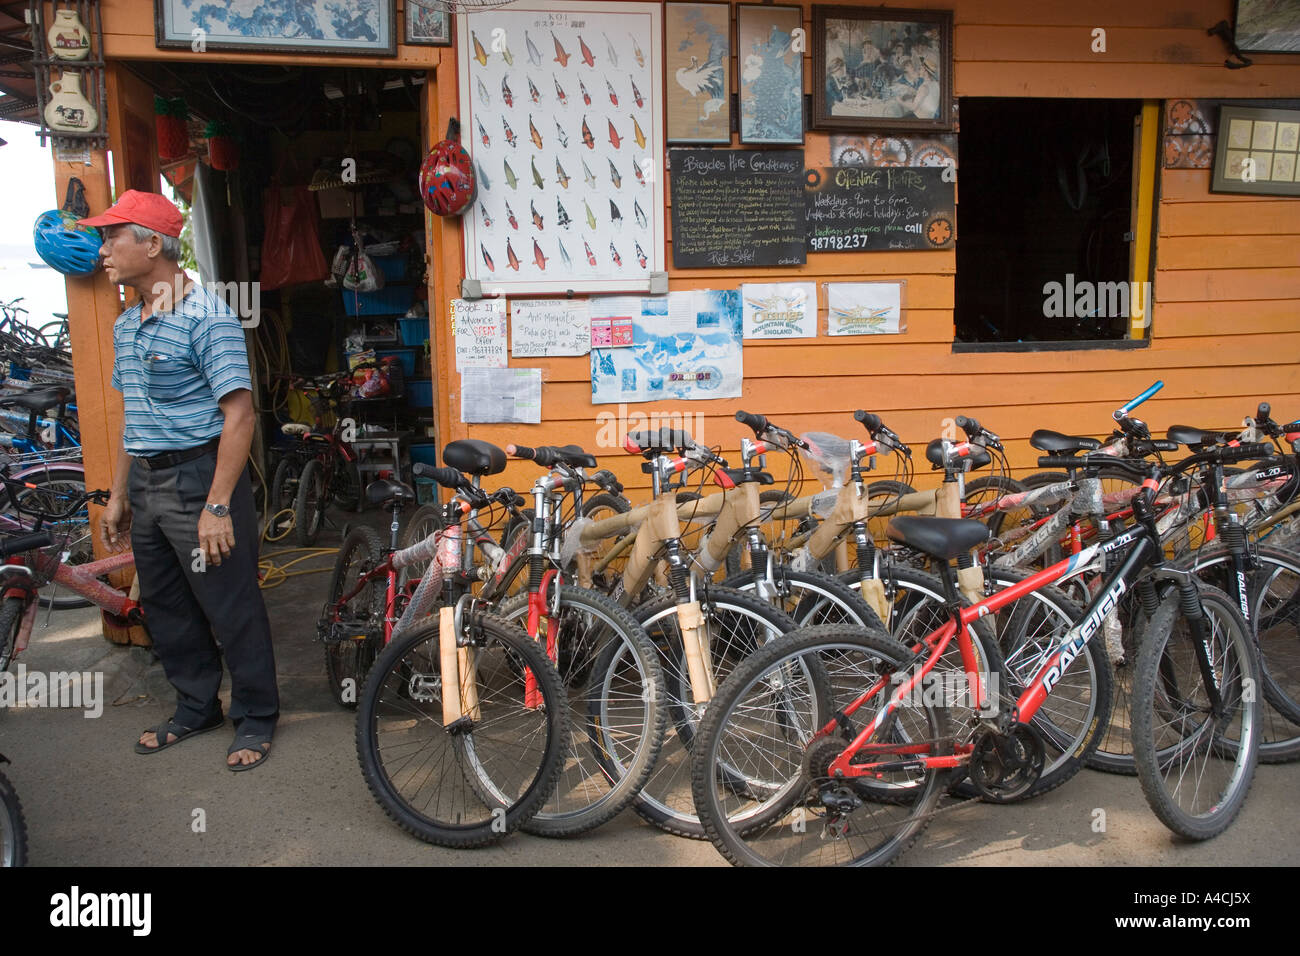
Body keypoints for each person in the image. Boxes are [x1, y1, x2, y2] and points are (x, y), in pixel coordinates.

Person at [79, 190, 279, 772]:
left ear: (152, 243)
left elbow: (239, 415)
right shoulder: (127, 326)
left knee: (230, 603)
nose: (103, 250)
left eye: (112, 237)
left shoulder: (207, 316)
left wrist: (217, 506)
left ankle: (256, 716)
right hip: (147, 481)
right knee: (165, 604)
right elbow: (132, 418)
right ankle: (196, 707)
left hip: (201, 478)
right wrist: (120, 494)